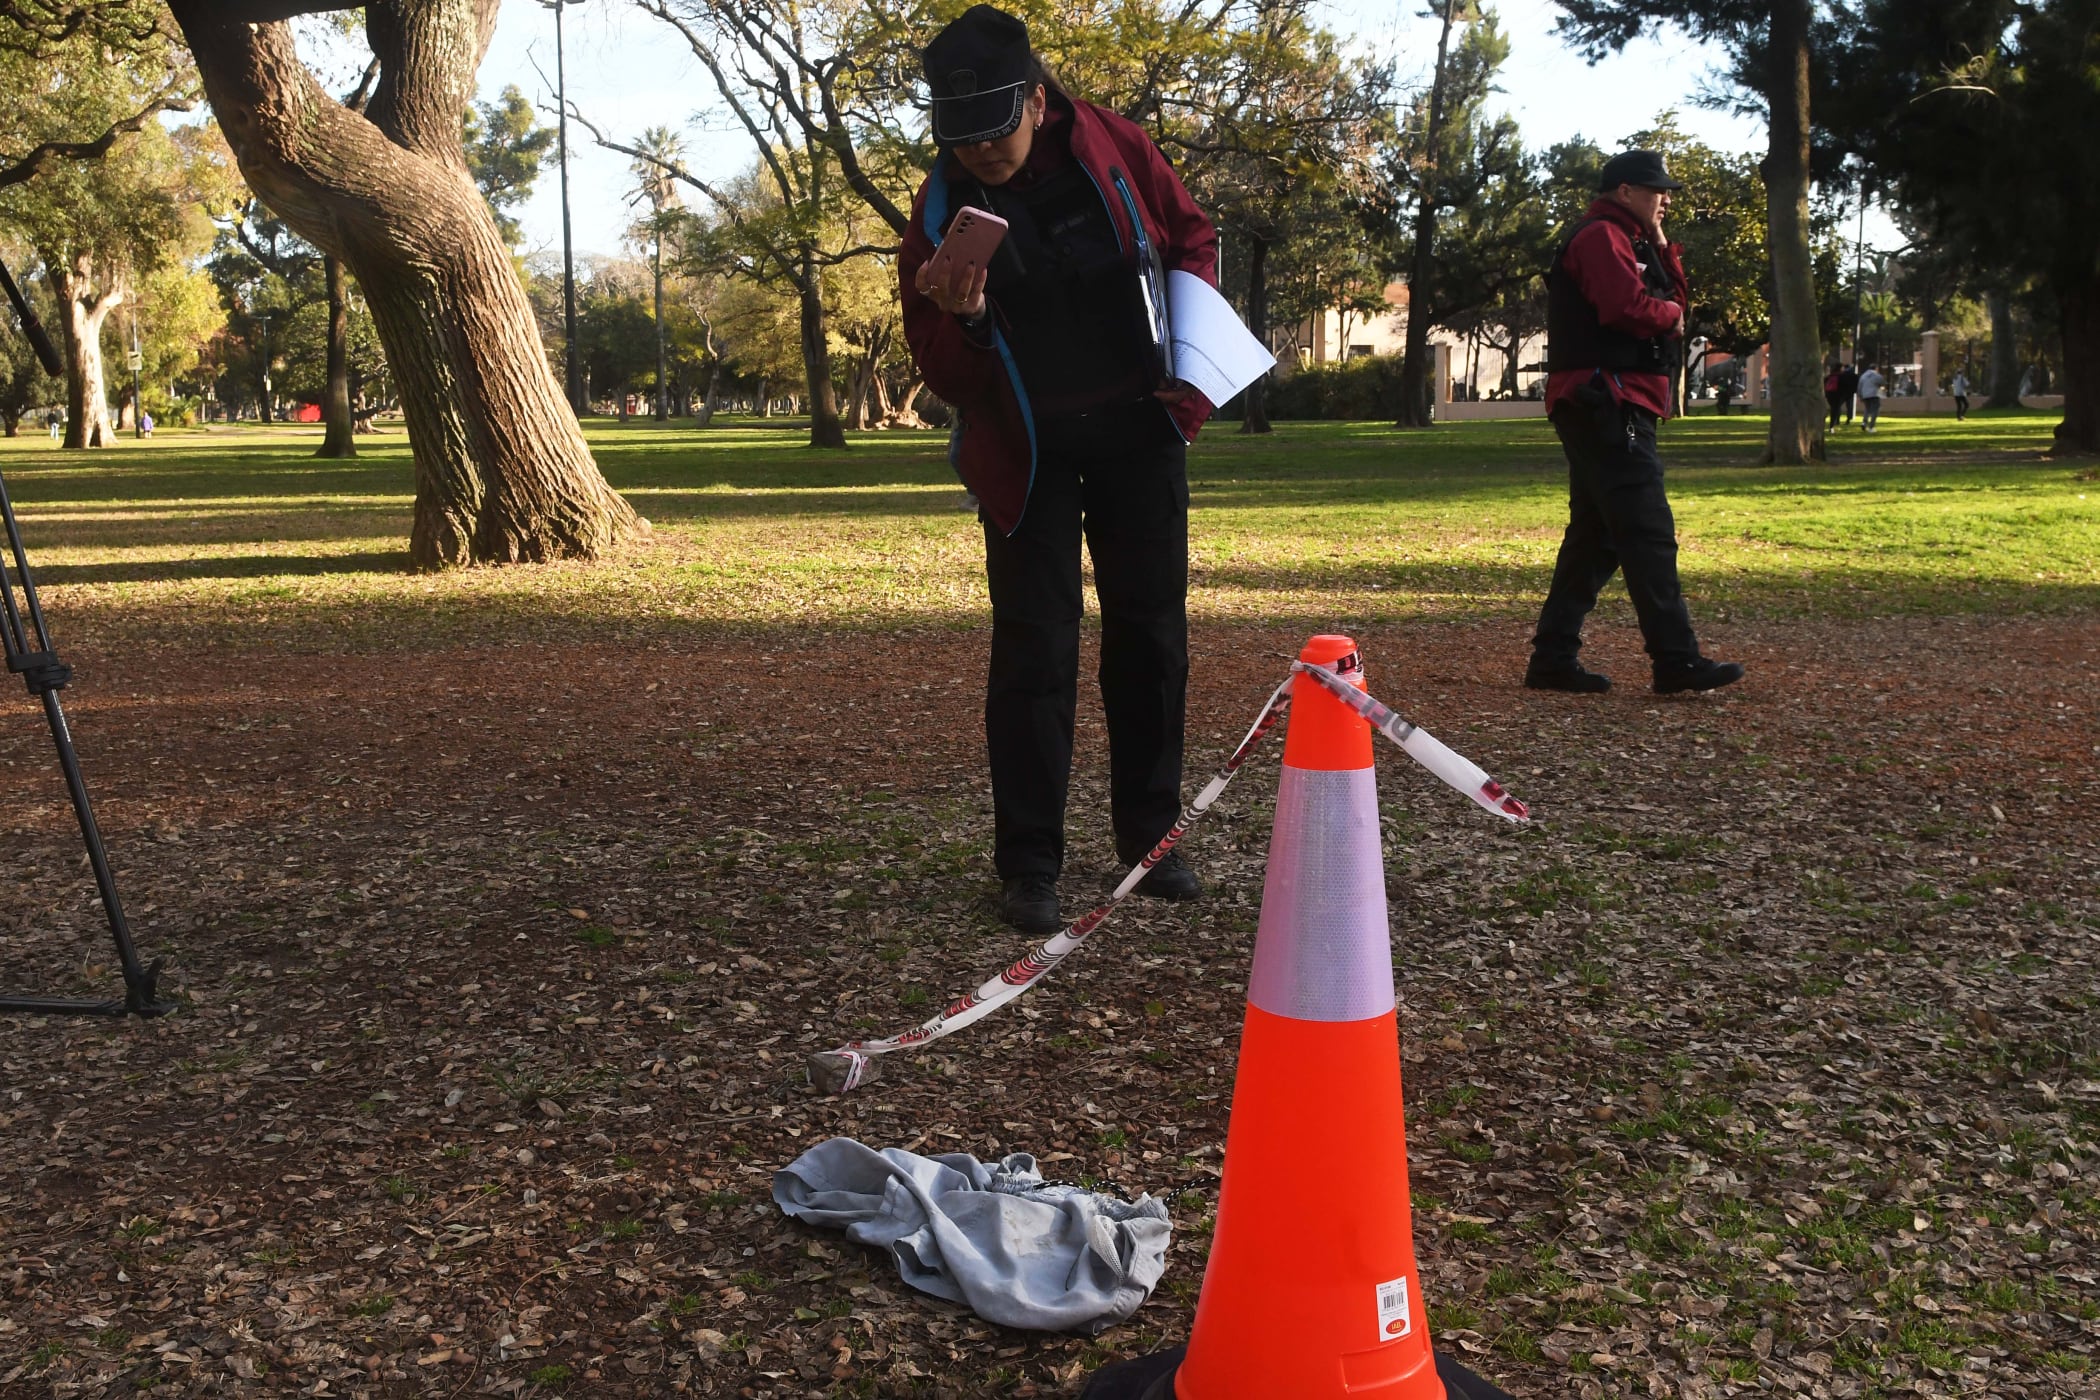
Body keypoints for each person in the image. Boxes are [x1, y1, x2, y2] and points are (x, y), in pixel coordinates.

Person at [900, 4, 1217, 934]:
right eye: (962, 140)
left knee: (1151, 638)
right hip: (1025, 446)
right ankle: (1029, 862)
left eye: (995, 131)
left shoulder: (1118, 145)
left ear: (1036, 99)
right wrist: (963, 319)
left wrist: (1191, 361)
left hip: (1137, 425)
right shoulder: (936, 210)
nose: (983, 154)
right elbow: (944, 372)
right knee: (1035, 650)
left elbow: (1191, 238)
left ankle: (1152, 839)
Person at [1524, 150, 1744, 697]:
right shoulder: (1600, 236)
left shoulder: (1636, 238)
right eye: (1655, 190)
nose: (1664, 197)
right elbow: (1627, 308)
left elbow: (1675, 298)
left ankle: (1552, 658)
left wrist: (1665, 245)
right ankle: (1676, 660)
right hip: (1606, 398)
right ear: (1625, 191)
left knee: (1597, 538)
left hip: (1620, 399)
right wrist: (1669, 316)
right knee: (1646, 530)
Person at [1857, 363, 1885, 432]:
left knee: (1867, 409)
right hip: (1874, 394)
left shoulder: (1863, 376)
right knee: (1874, 411)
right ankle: (1871, 427)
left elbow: (1859, 386)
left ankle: (1864, 422)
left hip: (1865, 395)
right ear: (1876, 368)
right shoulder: (1876, 375)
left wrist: (1860, 395)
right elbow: (1882, 382)